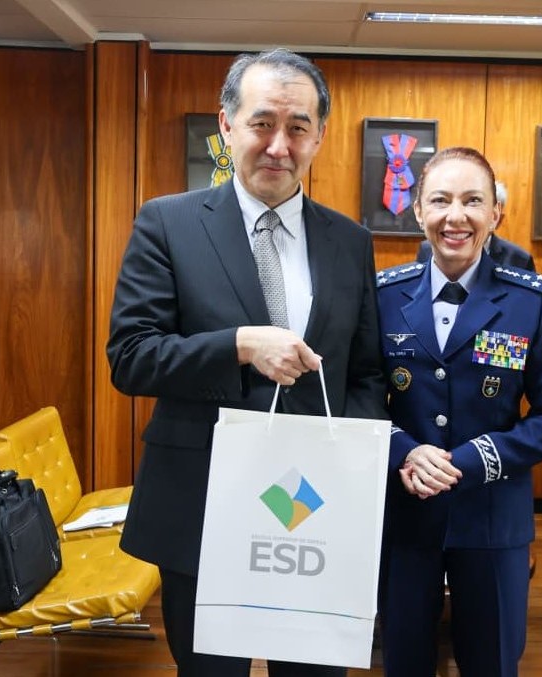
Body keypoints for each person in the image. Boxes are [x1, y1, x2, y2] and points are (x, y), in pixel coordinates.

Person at [106, 48, 386, 677]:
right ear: (227, 125)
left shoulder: (350, 241)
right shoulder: (168, 223)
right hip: (204, 505)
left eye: (298, 127)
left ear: (319, 136)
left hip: (314, 511)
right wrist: (237, 345)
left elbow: (365, 372)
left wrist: (353, 468)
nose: (279, 146)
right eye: (262, 123)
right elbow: (131, 357)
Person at [376, 147, 542, 677]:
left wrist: (470, 460)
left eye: (472, 201)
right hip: (406, 515)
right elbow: (363, 400)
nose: (456, 216)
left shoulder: (530, 301)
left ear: (496, 214)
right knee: (404, 662)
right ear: (418, 210)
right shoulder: (382, 296)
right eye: (440, 200)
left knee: (491, 662)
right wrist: (406, 452)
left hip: (493, 518)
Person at [416, 181, 535, 271]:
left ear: (496, 218)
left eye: (475, 203)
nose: (457, 217)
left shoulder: (519, 259)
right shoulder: (428, 248)